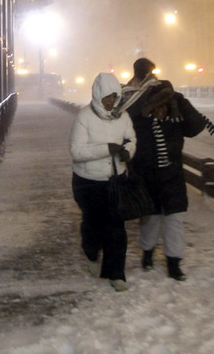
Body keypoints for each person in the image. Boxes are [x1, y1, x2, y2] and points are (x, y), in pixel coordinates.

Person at [128, 79, 214, 281]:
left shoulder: (177, 123)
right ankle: (148, 253)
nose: (160, 111)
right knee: (151, 222)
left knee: (174, 223)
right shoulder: (140, 123)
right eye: (156, 106)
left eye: (164, 106)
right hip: (147, 181)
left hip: (172, 181)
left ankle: (174, 263)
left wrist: (179, 99)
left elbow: (196, 125)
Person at [69, 72, 137, 292]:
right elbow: (76, 152)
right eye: (107, 97)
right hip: (88, 182)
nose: (111, 101)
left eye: (115, 97)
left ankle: (116, 274)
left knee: (117, 228)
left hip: (115, 180)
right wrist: (106, 148)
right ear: (98, 95)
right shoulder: (84, 117)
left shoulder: (123, 117)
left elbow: (131, 139)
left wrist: (128, 151)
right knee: (93, 225)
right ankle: (90, 251)